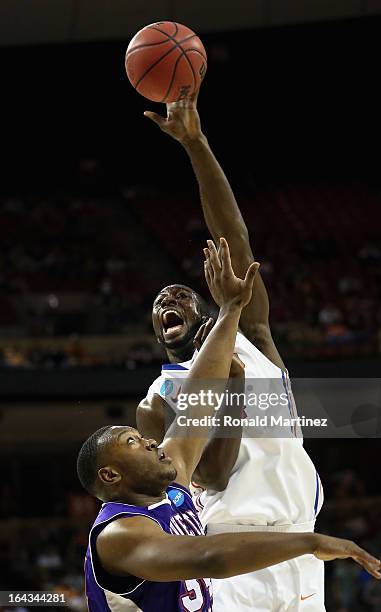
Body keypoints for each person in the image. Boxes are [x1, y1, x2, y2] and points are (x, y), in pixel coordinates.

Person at [79, 240, 381, 612]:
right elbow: (211, 558)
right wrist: (310, 543)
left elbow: (200, 401)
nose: (149, 440)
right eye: (132, 441)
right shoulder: (119, 533)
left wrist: (229, 311)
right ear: (112, 475)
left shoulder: (173, 488)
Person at [138, 92, 326, 611]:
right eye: (157, 304)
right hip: (232, 553)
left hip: (301, 546)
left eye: (178, 294)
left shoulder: (255, 337)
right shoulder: (159, 400)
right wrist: (234, 386)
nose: (165, 299)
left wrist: (196, 145)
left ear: (211, 302)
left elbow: (234, 236)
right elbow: (212, 476)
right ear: (159, 334)